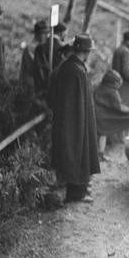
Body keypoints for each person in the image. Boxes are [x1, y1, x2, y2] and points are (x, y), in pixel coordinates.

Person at [48, 34, 100, 203]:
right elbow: (72, 102)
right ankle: (76, 192)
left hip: (76, 119)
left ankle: (79, 189)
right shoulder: (74, 71)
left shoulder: (72, 67)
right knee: (75, 152)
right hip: (75, 121)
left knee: (77, 152)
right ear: (85, 52)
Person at [93, 69, 129, 159]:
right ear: (114, 83)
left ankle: (99, 154)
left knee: (102, 135)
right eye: (118, 83)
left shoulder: (99, 87)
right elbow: (118, 107)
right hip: (105, 117)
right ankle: (101, 154)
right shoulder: (113, 92)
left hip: (97, 115)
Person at [20, 20, 49, 89]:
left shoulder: (42, 47)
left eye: (47, 33)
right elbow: (32, 68)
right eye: (43, 33)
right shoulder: (31, 48)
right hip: (30, 84)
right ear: (37, 34)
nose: (46, 36)